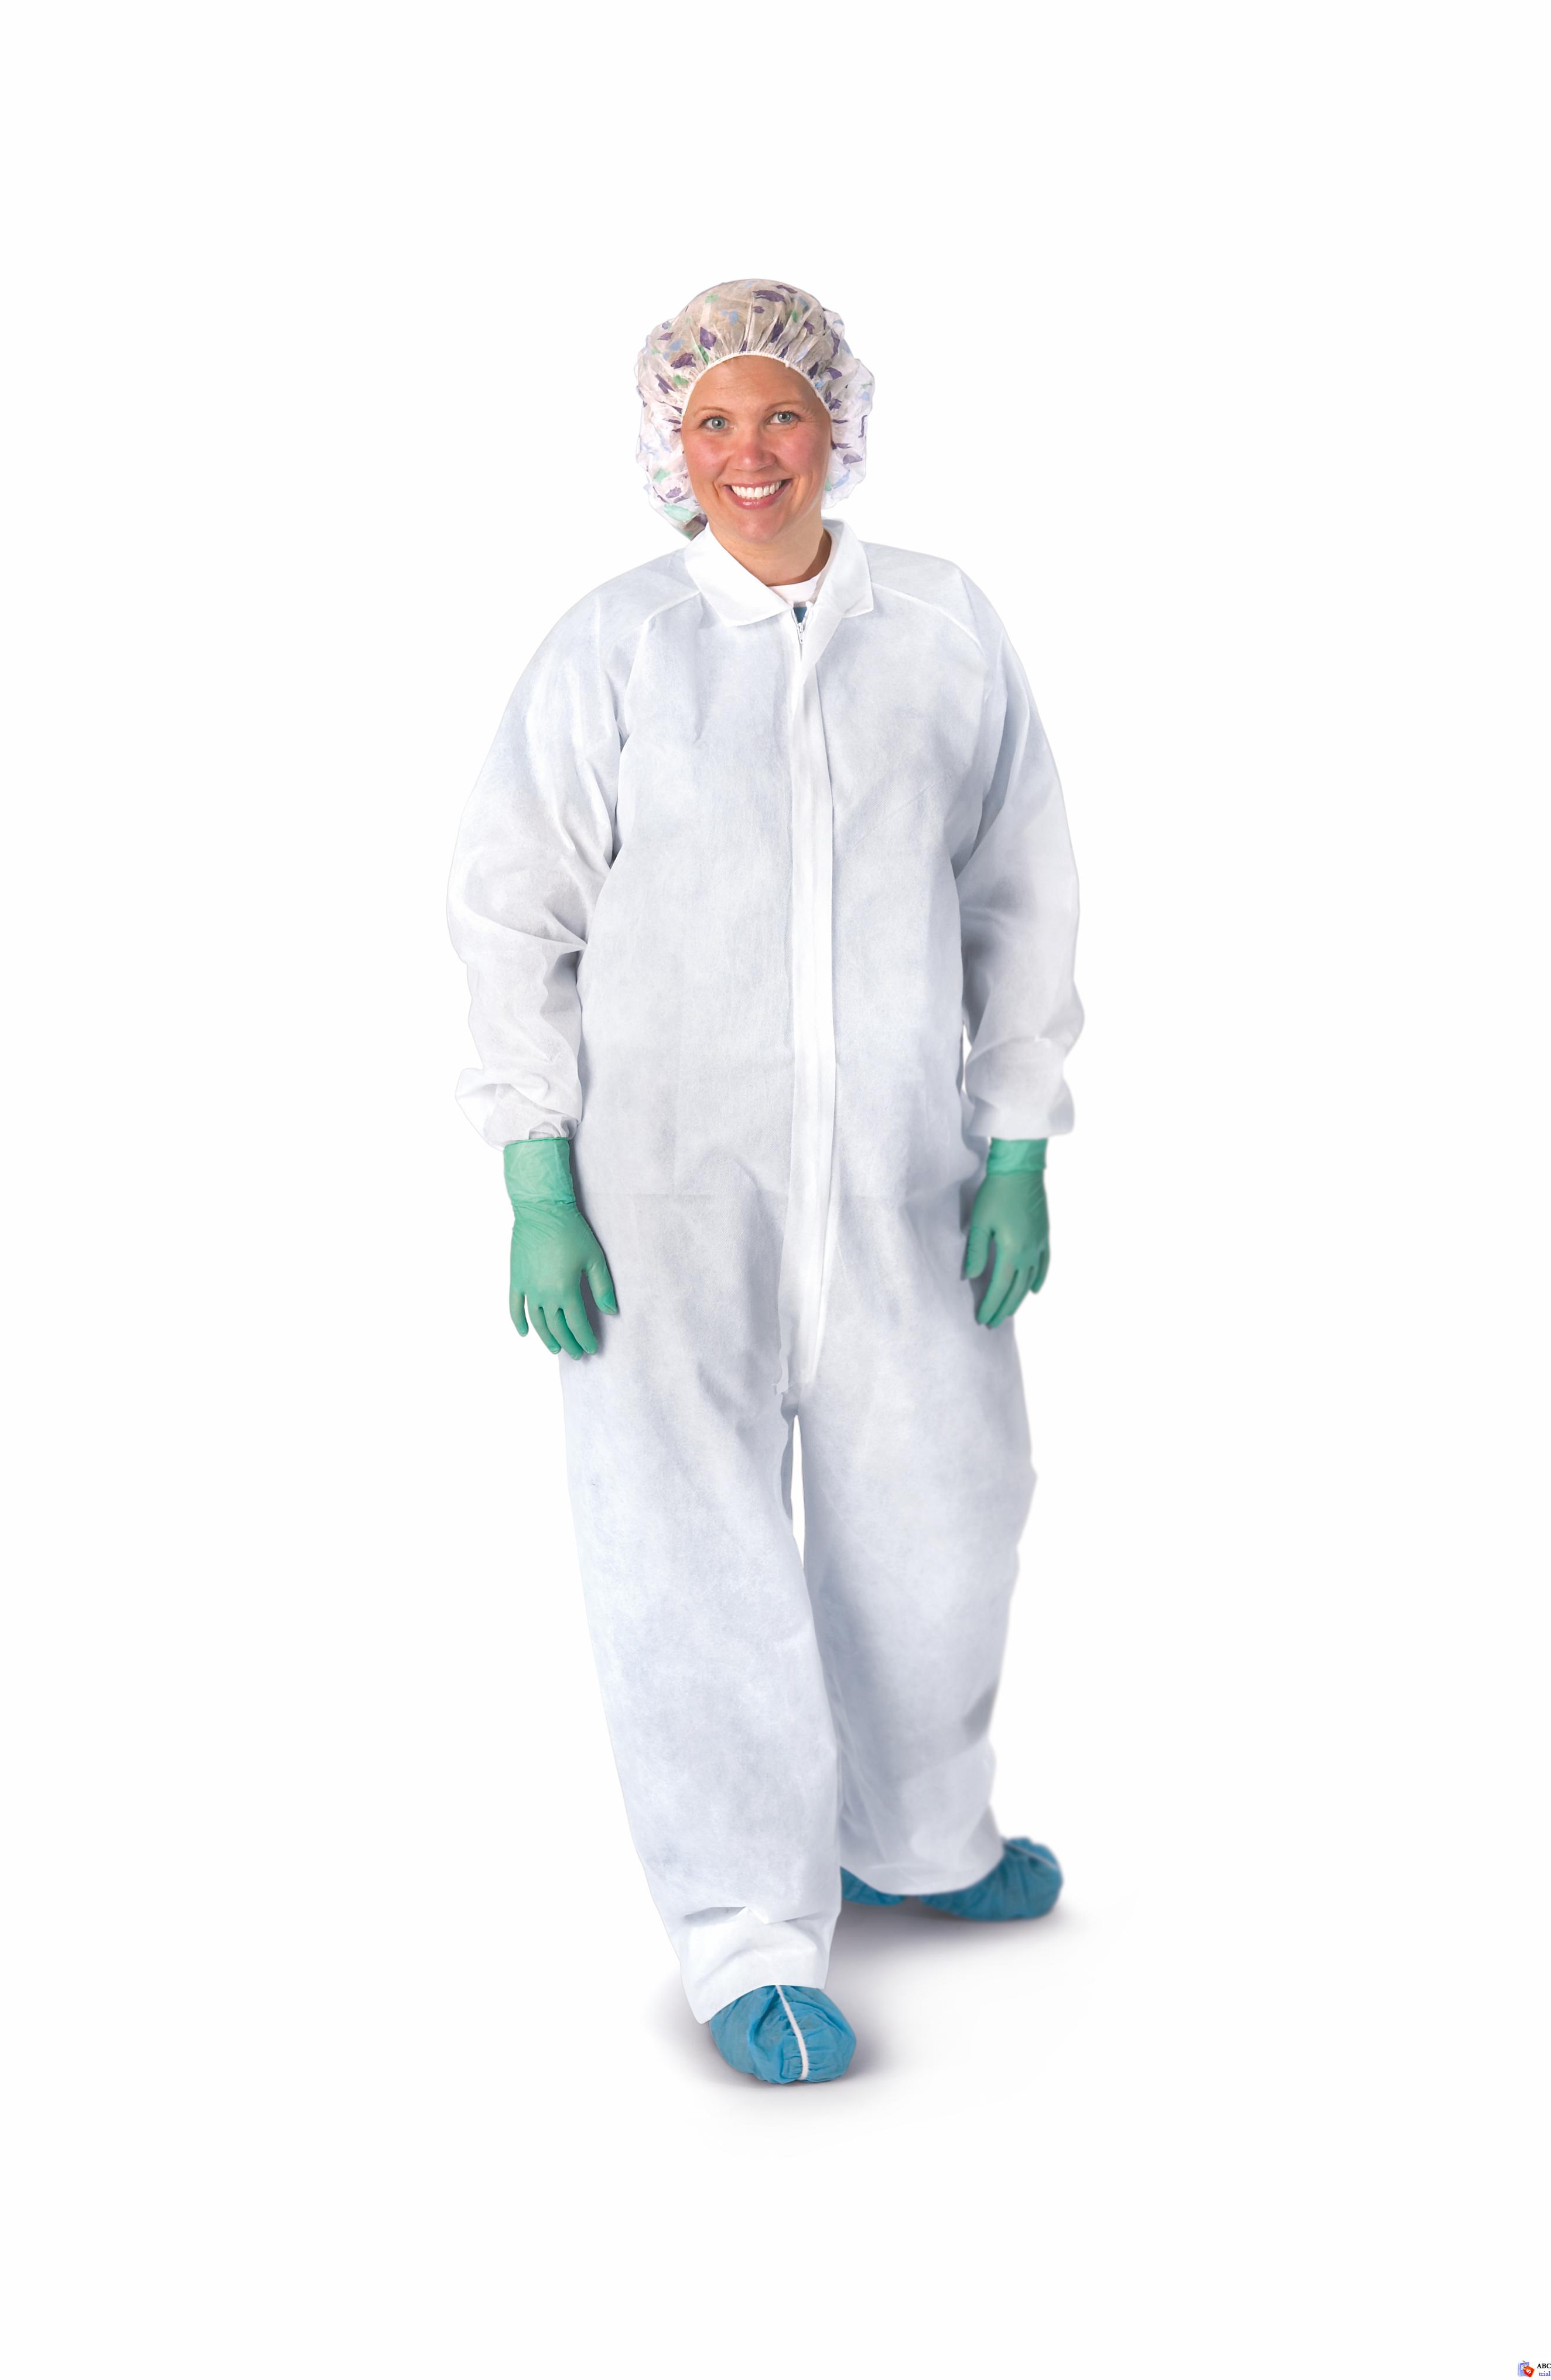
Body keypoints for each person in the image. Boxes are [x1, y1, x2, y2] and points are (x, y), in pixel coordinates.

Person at [447, 279, 1082, 2085]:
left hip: (901, 1183)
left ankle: (918, 1837)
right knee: (688, 1560)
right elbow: (511, 909)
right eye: (713, 422)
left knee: (945, 1520)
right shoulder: (619, 648)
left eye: (780, 415)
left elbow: (1023, 882)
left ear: (838, 427)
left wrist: (1018, 1137)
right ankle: (746, 1931)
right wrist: (536, 1174)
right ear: (672, 444)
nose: (750, 453)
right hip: (662, 1198)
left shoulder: (940, 630)